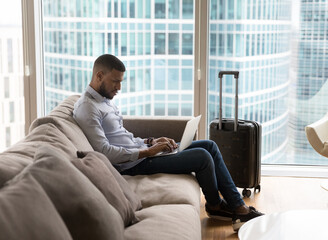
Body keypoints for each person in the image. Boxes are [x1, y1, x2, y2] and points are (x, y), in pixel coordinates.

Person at [73, 54, 263, 231]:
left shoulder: (104, 99)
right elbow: (105, 152)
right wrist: (147, 152)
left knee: (209, 146)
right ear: (99, 76)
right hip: (132, 165)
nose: (119, 88)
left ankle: (236, 206)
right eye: (115, 82)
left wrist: (150, 142)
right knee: (203, 157)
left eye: (121, 82)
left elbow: (123, 137)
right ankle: (222, 207)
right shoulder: (87, 108)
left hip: (141, 153)